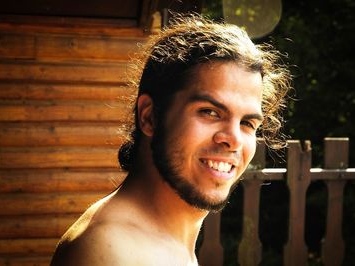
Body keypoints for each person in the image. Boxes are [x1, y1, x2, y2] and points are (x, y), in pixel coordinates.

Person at [50, 14, 290, 265]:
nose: (234, 140)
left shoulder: (160, 240)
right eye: (209, 112)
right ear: (150, 117)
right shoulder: (110, 252)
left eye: (247, 123)